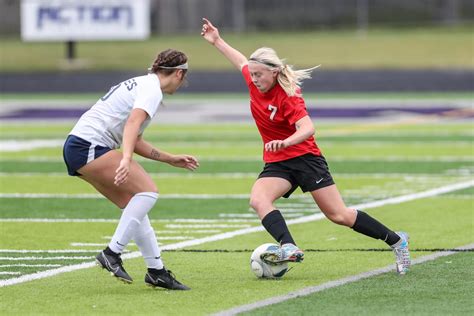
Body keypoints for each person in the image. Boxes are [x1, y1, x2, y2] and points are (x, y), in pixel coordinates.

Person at [201, 18, 411, 275]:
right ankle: (288, 246)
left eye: (259, 75)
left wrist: (285, 141)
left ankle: (397, 241)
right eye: (252, 74)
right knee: (258, 199)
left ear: (274, 72)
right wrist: (216, 40)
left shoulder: (288, 96)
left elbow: (308, 128)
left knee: (339, 215)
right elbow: (241, 61)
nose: (253, 79)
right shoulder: (253, 79)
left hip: (305, 159)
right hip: (278, 162)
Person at [63, 49, 199, 289]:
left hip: (78, 146)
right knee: (148, 192)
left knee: (134, 207)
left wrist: (169, 159)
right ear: (179, 73)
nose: (182, 83)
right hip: (89, 146)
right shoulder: (152, 90)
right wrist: (125, 159)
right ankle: (112, 252)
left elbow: (134, 138)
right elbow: (132, 124)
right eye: (184, 78)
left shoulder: (144, 84)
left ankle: (156, 270)